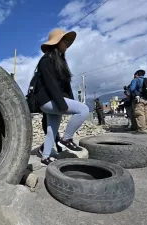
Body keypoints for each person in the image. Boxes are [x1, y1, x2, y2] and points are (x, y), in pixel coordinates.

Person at [35, 29, 89, 166]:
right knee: (83, 109)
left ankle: (45, 157)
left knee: (52, 129)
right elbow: (50, 84)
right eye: (65, 41)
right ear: (56, 42)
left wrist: (68, 101)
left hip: (53, 100)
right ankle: (67, 138)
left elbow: (65, 87)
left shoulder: (58, 60)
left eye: (68, 41)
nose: (67, 44)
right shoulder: (46, 60)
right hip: (47, 100)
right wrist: (62, 104)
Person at [129, 69, 147, 134]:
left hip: (140, 99)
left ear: (137, 74)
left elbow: (132, 89)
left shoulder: (135, 80)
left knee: (140, 114)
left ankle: (142, 129)